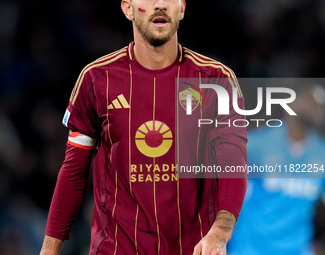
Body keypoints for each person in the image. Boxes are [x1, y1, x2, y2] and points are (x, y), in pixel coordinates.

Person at [40, 0, 248, 254]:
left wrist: (219, 234)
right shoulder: (96, 78)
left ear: (181, 8)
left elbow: (232, 165)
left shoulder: (217, 80)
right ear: (127, 8)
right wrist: (48, 251)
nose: (160, 4)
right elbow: (73, 172)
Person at [228, 83, 325, 255]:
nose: (319, 107)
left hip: (297, 249)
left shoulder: (321, 153)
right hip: (250, 249)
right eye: (313, 101)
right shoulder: (257, 145)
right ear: (293, 105)